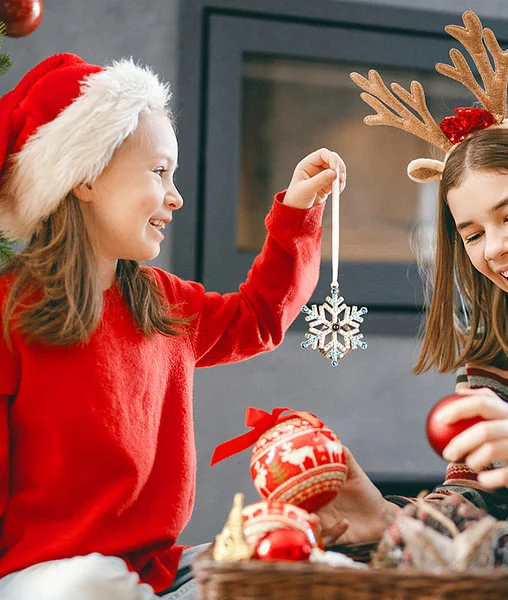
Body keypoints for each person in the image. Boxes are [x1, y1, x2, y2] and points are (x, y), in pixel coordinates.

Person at [0, 53, 345, 599]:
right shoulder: (9, 314)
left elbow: (258, 316)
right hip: (46, 577)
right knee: (88, 583)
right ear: (85, 177)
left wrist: (298, 209)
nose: (175, 197)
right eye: (159, 171)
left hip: (155, 567)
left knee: (301, 568)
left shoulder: (161, 304)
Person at [318, 11, 508, 600]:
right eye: (472, 233)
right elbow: (477, 497)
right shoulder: (495, 357)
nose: (496, 247)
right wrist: (398, 520)